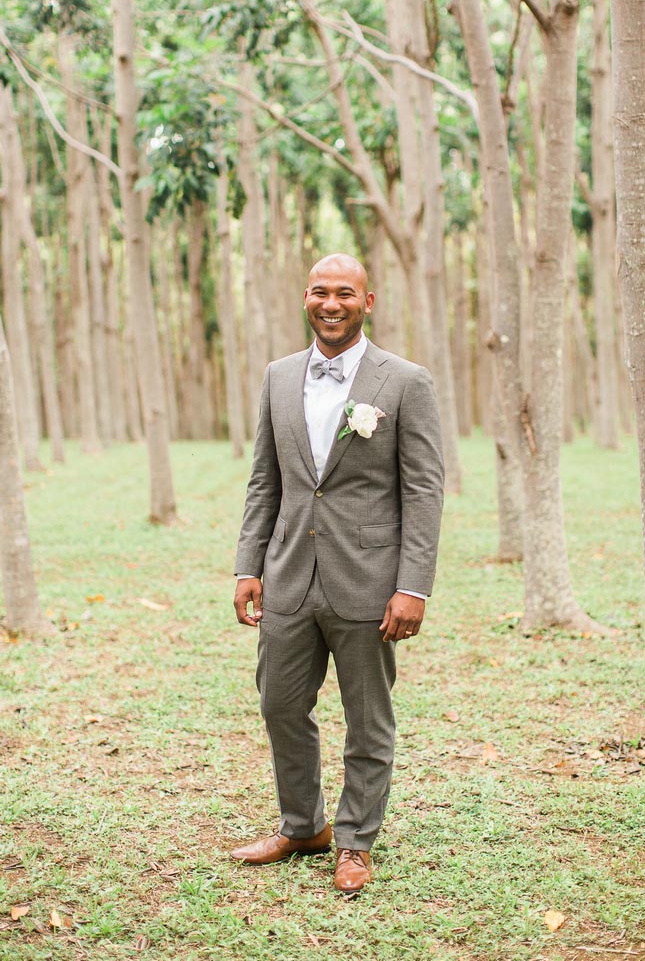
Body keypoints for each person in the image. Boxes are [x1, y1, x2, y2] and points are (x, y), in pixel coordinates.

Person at [232, 253, 444, 894]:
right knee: (280, 704)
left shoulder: (405, 382)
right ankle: (303, 826)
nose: (332, 303)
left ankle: (354, 841)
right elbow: (265, 478)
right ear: (305, 298)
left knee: (367, 717)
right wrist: (248, 563)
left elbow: (424, 489)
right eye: (321, 292)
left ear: (367, 300)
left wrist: (413, 586)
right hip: (289, 573)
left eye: (345, 293)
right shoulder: (278, 375)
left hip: (369, 582)